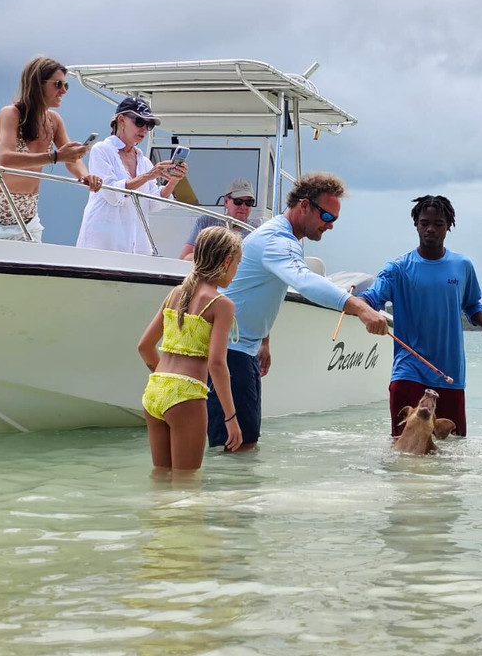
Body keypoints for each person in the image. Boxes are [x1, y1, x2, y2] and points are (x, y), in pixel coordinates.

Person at [206, 172, 390, 452]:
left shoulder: (281, 237)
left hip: (244, 350)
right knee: (232, 449)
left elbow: (259, 292)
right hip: (230, 352)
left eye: (335, 220)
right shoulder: (277, 240)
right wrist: (360, 309)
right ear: (304, 206)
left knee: (244, 445)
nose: (330, 227)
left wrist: (264, 340)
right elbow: (305, 281)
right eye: (327, 217)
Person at [359, 194, 482, 438]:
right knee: (403, 448)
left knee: (452, 451)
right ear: (416, 224)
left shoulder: (462, 265)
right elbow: (370, 298)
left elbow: (472, 305)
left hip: (450, 374)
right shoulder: (398, 268)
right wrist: (363, 311)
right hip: (408, 370)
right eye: (424, 223)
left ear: (449, 226)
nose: (430, 229)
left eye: (438, 224)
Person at [0, 56, 103, 241]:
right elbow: (5, 159)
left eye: (66, 86)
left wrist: (85, 176)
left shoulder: (54, 121)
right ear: (37, 84)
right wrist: (56, 157)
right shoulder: (11, 114)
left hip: (27, 213)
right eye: (58, 84)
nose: (63, 91)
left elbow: (71, 158)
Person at [137, 225, 244, 472]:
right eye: (237, 263)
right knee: (186, 485)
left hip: (155, 390)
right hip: (186, 395)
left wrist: (166, 378)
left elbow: (144, 346)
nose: (236, 272)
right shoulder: (221, 304)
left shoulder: (176, 293)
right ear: (227, 261)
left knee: (161, 478)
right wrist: (231, 418)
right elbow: (217, 364)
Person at [75, 97, 187, 254]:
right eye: (139, 122)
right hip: (102, 243)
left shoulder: (144, 161)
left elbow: (154, 203)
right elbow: (112, 194)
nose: (144, 129)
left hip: (136, 245)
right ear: (121, 120)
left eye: (149, 125)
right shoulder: (102, 150)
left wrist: (173, 182)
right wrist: (149, 175)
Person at [179, 179, 262, 260]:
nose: (243, 207)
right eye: (238, 201)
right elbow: (185, 257)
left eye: (249, 202)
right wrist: (215, 259)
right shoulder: (206, 222)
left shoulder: (257, 231)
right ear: (226, 201)